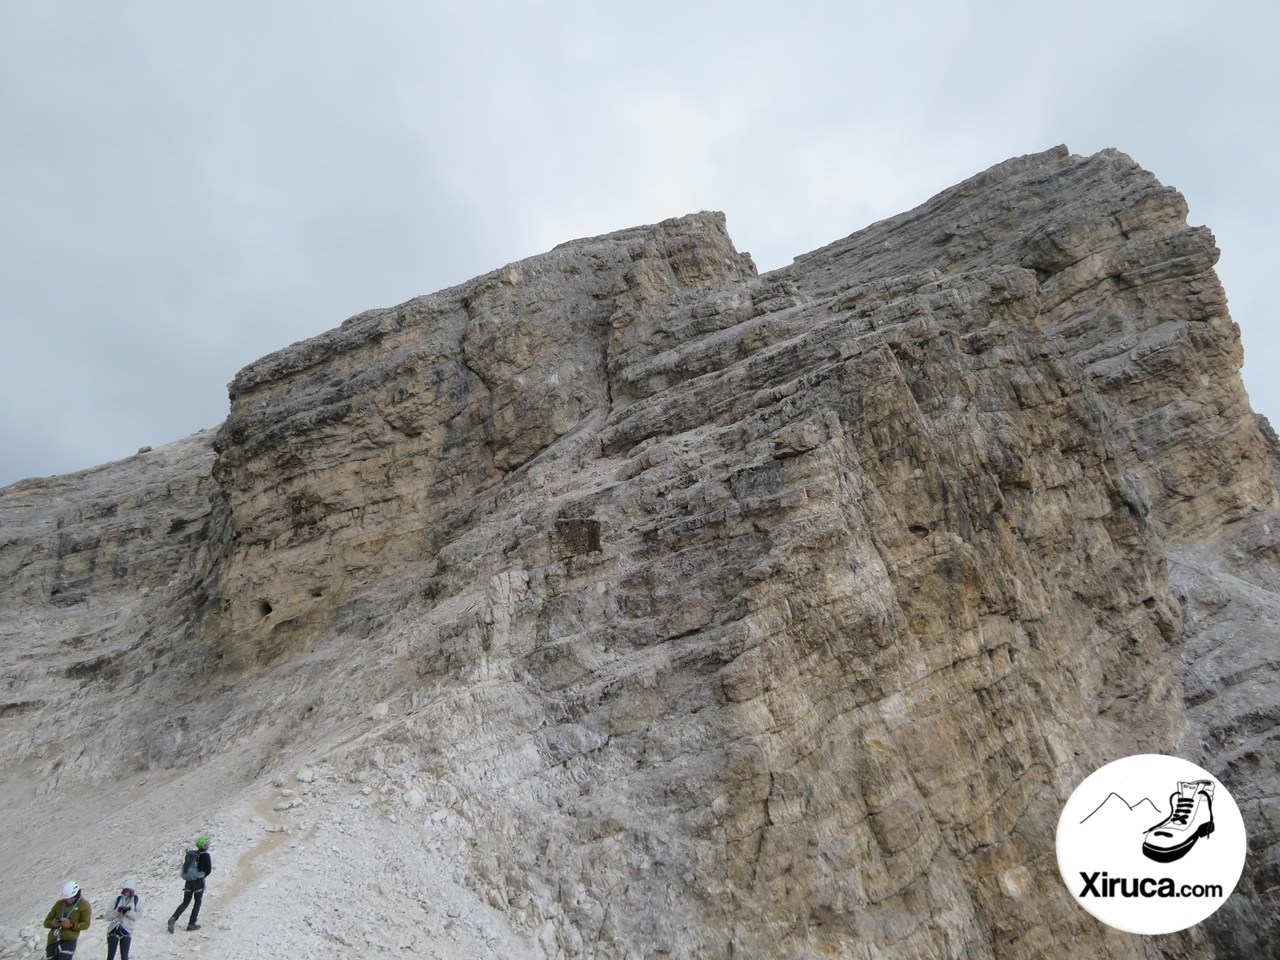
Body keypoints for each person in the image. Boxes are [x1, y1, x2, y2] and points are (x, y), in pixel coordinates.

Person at [167, 835, 213, 933]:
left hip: (188, 882)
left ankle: (173, 918)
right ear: (204, 845)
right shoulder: (206, 856)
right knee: (197, 902)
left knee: (185, 902)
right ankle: (191, 924)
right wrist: (202, 875)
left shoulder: (193, 855)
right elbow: (208, 870)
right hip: (199, 882)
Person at [43, 881, 91, 959]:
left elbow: (86, 924)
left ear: (77, 895)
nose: (68, 900)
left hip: (69, 941)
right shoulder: (59, 904)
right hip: (53, 941)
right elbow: (46, 922)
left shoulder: (84, 905)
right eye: (66, 899)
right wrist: (53, 923)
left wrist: (71, 925)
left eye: (71, 898)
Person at [104, 881, 141, 960]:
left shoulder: (136, 901)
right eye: (125, 891)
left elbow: (137, 916)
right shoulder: (116, 899)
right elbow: (108, 917)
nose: (127, 893)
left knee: (124, 956)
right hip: (113, 929)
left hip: (127, 930)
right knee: (110, 956)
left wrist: (127, 913)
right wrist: (117, 911)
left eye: (129, 891)